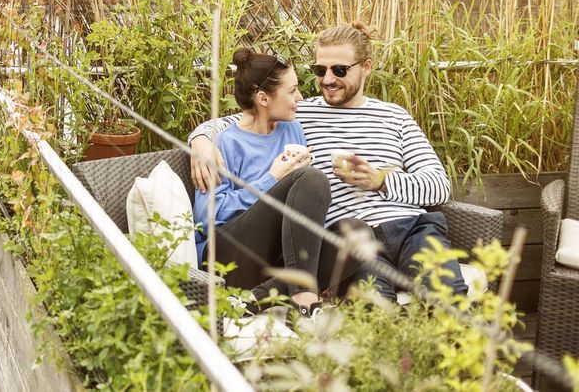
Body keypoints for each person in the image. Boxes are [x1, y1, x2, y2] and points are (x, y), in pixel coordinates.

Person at [190, 22, 468, 301]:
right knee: (374, 311)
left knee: (449, 300)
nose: (327, 79)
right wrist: (201, 139)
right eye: (319, 70)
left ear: (367, 67)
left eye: (340, 70)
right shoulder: (298, 113)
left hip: (412, 228)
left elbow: (438, 185)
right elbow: (245, 119)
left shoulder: (395, 116)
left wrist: (380, 180)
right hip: (352, 238)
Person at [194, 47, 366, 318]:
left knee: (358, 234)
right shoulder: (225, 143)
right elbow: (207, 217)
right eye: (292, 91)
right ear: (263, 98)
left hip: (276, 260)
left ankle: (259, 298)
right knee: (310, 178)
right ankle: (303, 295)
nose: (300, 97)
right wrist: (272, 179)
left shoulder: (292, 127)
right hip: (227, 258)